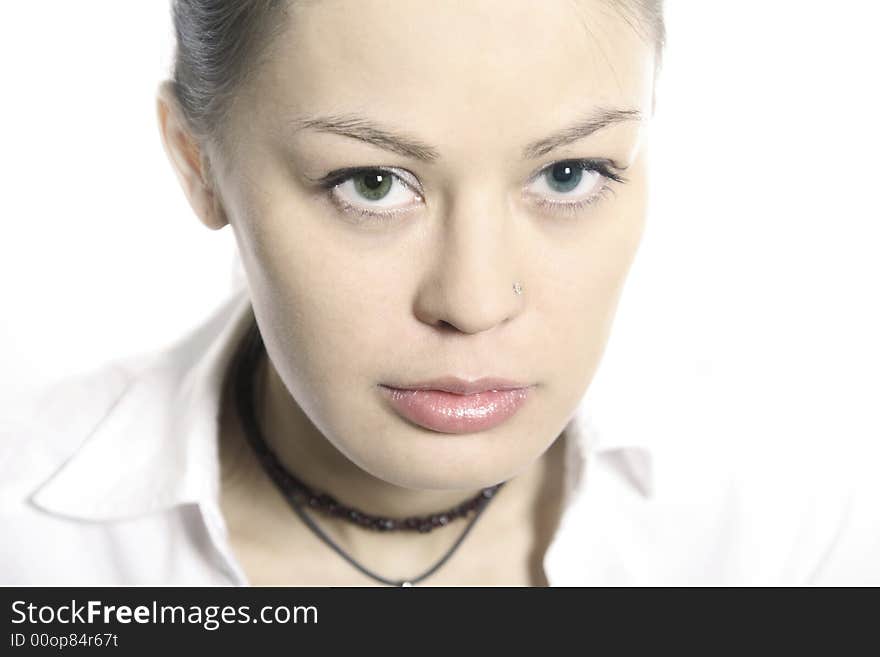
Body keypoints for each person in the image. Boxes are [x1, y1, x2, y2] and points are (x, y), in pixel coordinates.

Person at [2, 0, 877, 586]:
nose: (475, 300)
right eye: (373, 183)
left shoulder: (786, 524)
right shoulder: (30, 543)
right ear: (199, 166)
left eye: (568, 173)